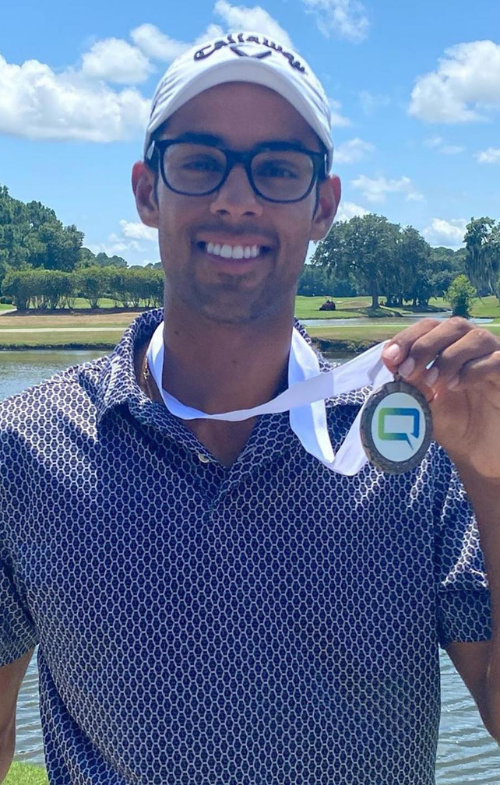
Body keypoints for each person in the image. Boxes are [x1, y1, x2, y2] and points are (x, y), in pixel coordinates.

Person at [1, 30, 499, 785]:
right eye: (200, 162)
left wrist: (494, 471)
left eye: (277, 169)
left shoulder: (418, 440)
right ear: (147, 190)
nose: (237, 199)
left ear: (323, 204)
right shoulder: (27, 447)